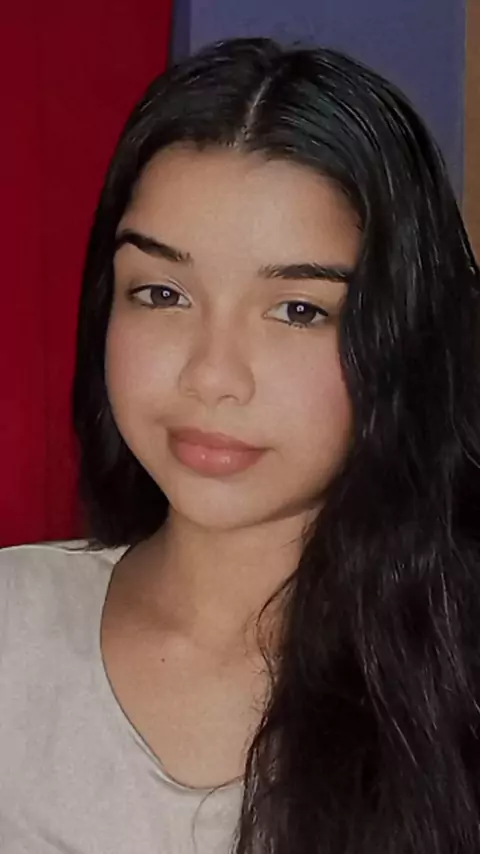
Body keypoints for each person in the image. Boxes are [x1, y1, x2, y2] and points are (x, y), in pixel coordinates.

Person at [1, 36, 479, 854]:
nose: (212, 375)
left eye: (299, 310)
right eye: (162, 293)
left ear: (404, 335)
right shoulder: (15, 626)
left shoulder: (455, 679)